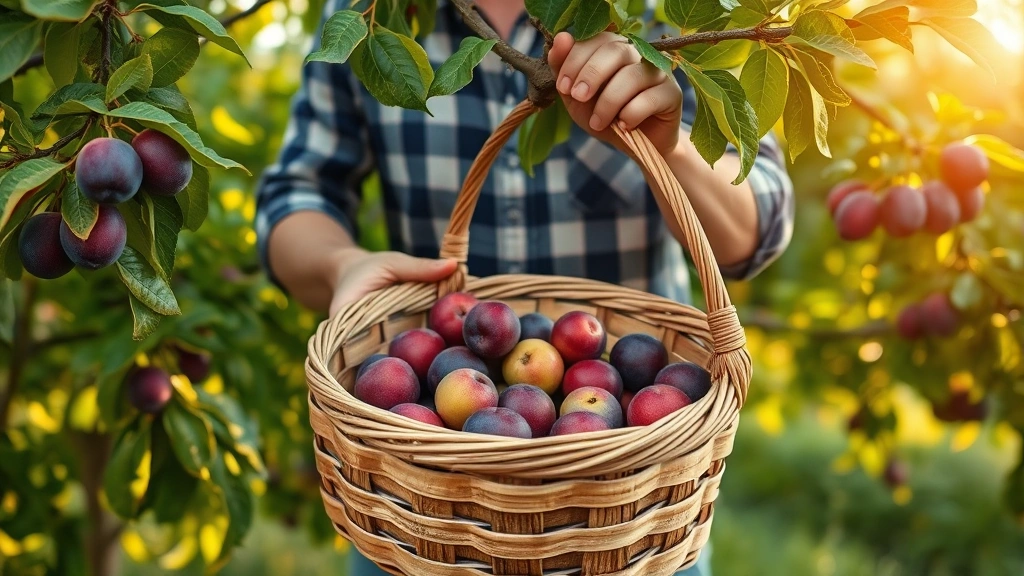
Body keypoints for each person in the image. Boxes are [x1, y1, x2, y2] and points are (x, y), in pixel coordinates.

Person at [256, 1, 794, 574]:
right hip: (424, 517)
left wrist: (671, 149)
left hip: (630, 514)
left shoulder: (679, 12)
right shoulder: (367, 14)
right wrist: (342, 265)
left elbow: (758, 229)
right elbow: (295, 195)